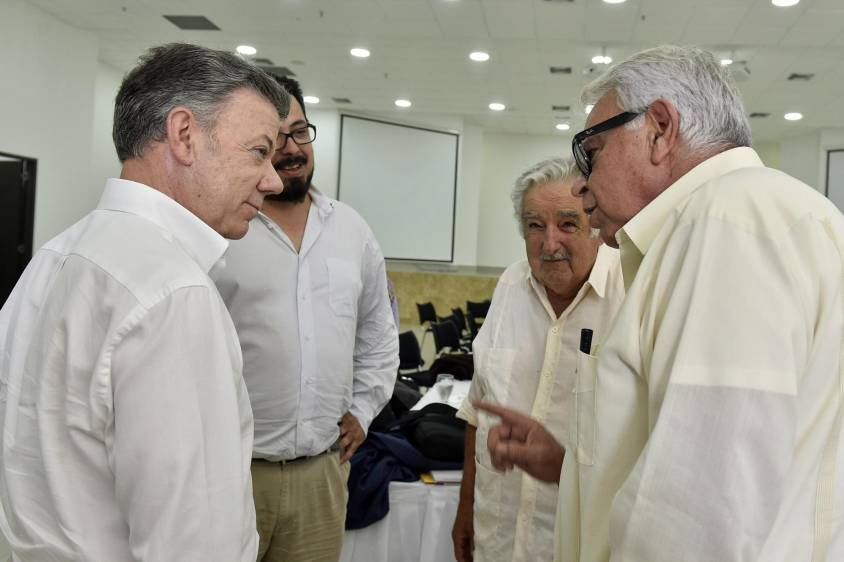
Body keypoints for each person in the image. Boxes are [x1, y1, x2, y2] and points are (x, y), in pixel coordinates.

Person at [477, 45, 844, 562]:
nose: (581, 184)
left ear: (659, 129)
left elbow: (696, 517)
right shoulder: (778, 211)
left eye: (591, 152)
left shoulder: (723, 221)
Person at [0, 43, 287, 561]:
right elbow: (196, 544)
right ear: (184, 135)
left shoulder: (56, 256)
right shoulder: (174, 292)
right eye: (259, 151)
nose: (273, 179)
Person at [211, 75, 399, 562]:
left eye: (299, 131)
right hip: (231, 473)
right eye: (273, 139)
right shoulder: (220, 231)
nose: (291, 149)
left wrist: (363, 408)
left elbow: (379, 334)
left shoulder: (352, 231)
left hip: (322, 473)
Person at [451, 157, 623, 562]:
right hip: (498, 536)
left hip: (577, 546)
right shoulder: (511, 284)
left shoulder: (631, 297)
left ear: (596, 228)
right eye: (534, 226)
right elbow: (479, 410)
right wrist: (465, 508)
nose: (549, 245)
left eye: (567, 223)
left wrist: (564, 466)